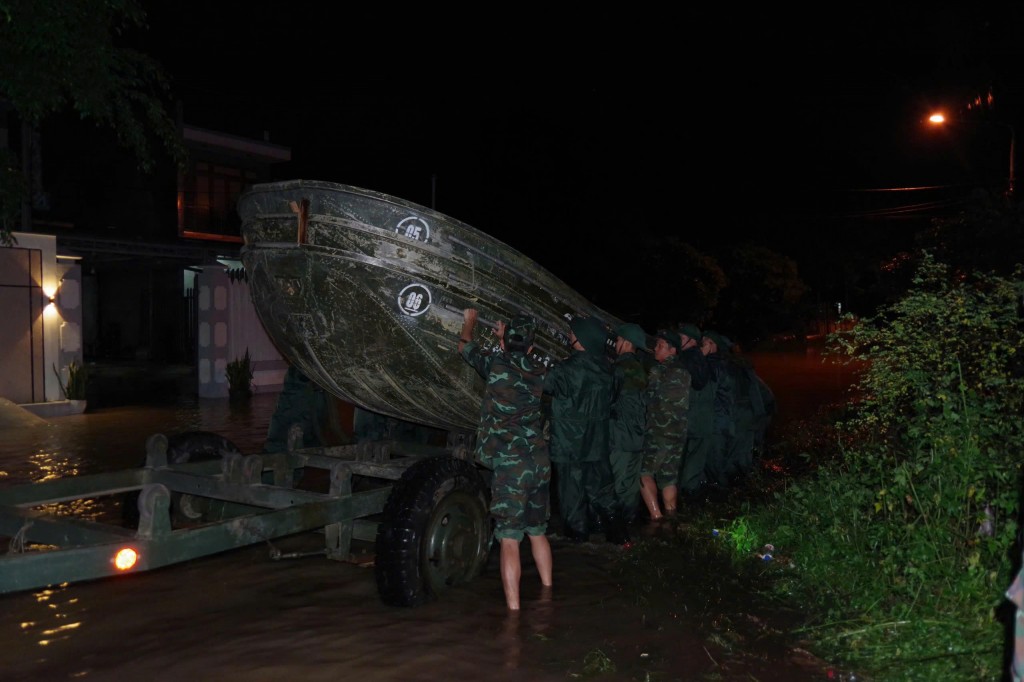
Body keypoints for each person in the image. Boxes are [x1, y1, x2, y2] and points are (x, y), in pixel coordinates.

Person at [458, 308, 553, 610]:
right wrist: (508, 342)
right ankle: (548, 595)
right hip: (539, 460)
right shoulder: (539, 371)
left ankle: (513, 612)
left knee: (509, 538)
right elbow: (519, 357)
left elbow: (464, 346)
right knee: (537, 531)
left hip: (511, 465)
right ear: (531, 347)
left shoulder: (496, 363)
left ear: (505, 341)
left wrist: (470, 322)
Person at [544, 315, 623, 544]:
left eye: (573, 331)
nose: (569, 334)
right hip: (597, 441)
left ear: (582, 338)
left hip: (569, 443)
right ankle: (619, 534)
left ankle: (577, 537)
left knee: (572, 493)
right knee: (603, 490)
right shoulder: (610, 370)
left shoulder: (566, 369)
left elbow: (544, 386)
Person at [639, 329, 692, 520]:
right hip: (678, 433)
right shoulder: (685, 371)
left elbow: (648, 398)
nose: (656, 349)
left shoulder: (658, 371)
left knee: (644, 473)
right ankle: (671, 516)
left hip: (658, 432)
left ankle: (656, 517)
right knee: (669, 478)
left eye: (661, 346)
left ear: (673, 350)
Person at [608, 322, 650, 533]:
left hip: (621, 436)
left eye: (617, 340)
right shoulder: (641, 369)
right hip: (637, 437)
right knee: (631, 486)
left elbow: (608, 400)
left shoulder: (619, 369)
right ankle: (631, 533)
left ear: (626, 343)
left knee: (618, 486)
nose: (615, 344)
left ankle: (619, 534)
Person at [721, 338, 777, 483]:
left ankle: (745, 484)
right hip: (759, 411)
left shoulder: (735, 369)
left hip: (754, 413)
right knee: (749, 450)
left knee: (743, 453)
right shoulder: (743, 367)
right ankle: (751, 480)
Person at [692, 331, 735, 495]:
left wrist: (700, 357)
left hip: (717, 423)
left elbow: (700, 386)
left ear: (715, 346)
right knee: (714, 465)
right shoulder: (720, 364)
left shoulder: (715, 365)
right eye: (702, 340)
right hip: (721, 422)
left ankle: (720, 504)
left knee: (714, 466)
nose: (703, 343)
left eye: (708, 341)